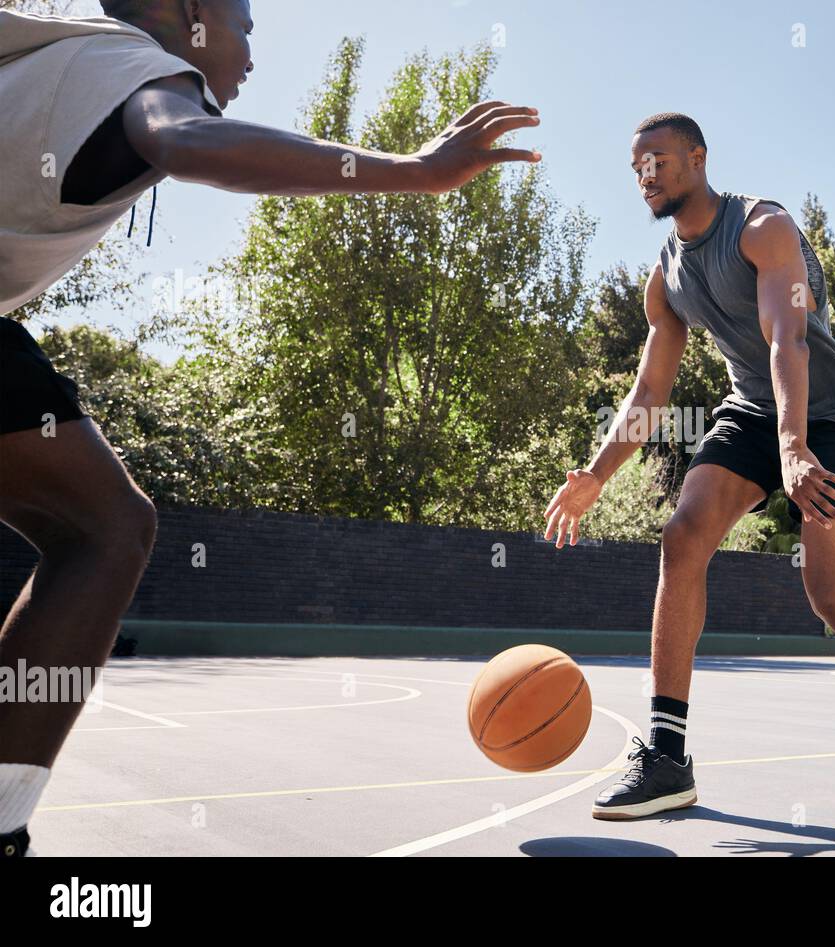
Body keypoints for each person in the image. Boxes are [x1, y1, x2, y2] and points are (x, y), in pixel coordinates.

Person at [0, 0, 542, 858]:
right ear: (189, 14)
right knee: (104, 529)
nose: (252, 50)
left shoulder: (55, 53)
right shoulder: (138, 68)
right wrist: (414, 169)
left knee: (99, 524)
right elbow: (183, 141)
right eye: (244, 23)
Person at [543, 113, 835, 820]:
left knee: (830, 596)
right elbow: (650, 390)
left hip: (827, 415)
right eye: (636, 167)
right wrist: (597, 473)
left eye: (658, 160)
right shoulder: (663, 280)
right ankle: (667, 756)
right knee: (682, 536)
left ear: (698, 159)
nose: (645, 175)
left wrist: (795, 448)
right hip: (751, 411)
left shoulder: (763, 228)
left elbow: (786, 338)